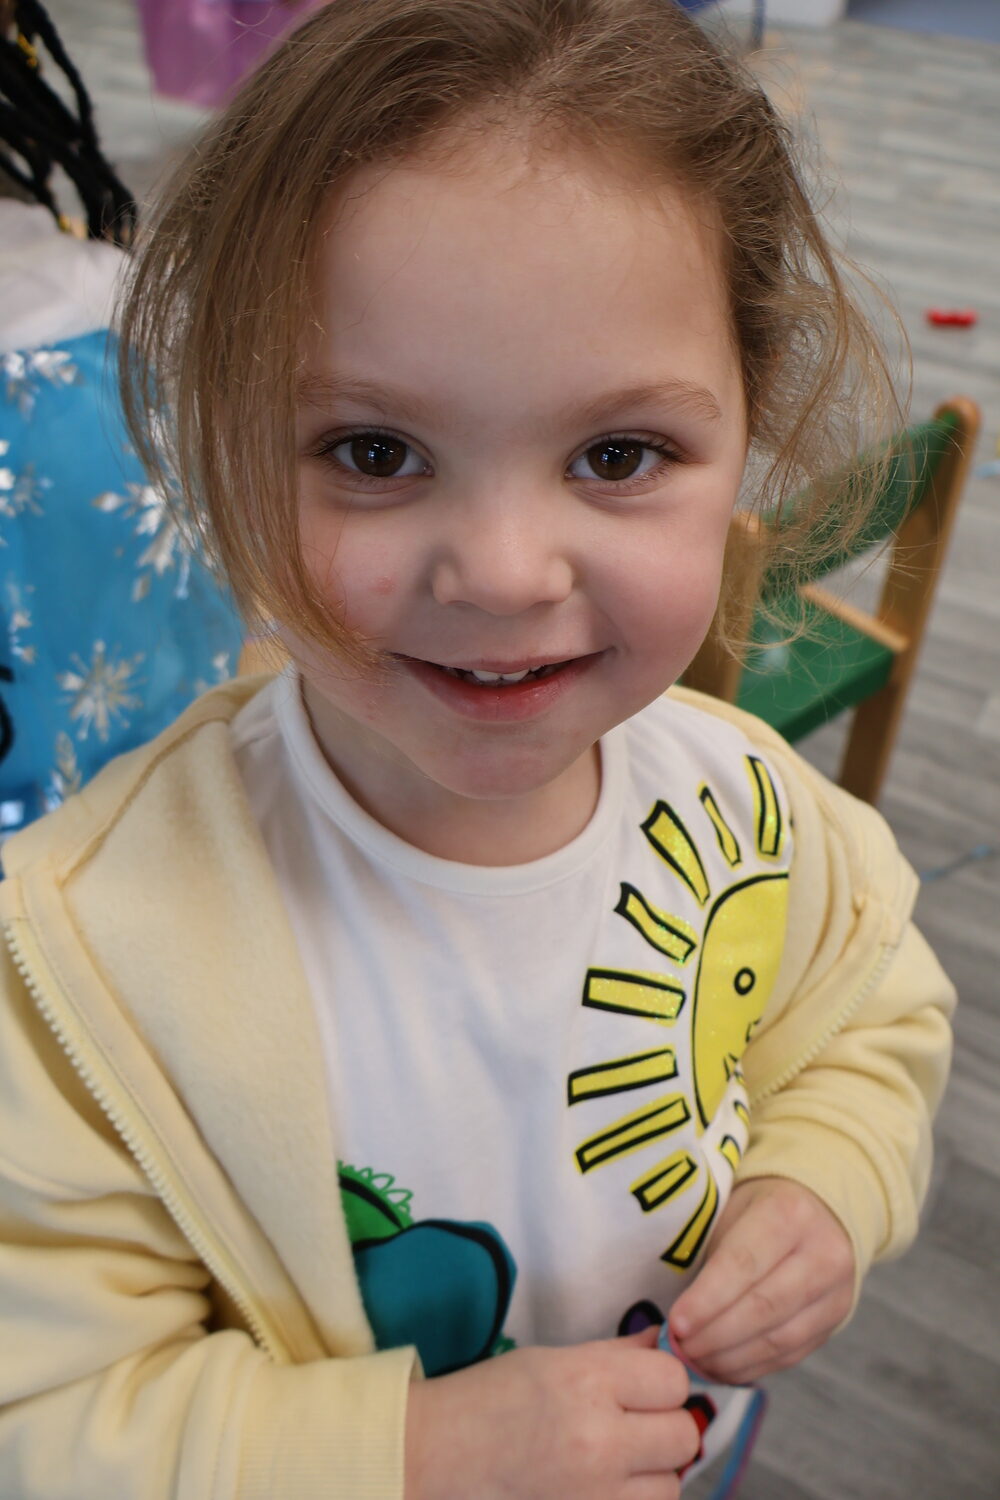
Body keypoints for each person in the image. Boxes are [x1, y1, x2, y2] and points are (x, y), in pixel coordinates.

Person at [0, 3, 954, 1498]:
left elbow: (866, 1023)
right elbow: (43, 1412)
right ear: (227, 442)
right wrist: (409, 1452)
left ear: (749, 431)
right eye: (373, 453)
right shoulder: (84, 955)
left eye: (618, 454)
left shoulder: (751, 802)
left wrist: (826, 1179)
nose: (504, 574)